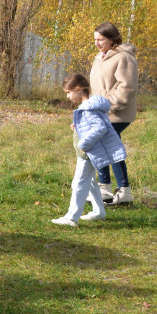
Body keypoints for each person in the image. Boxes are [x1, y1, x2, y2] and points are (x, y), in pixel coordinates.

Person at [53, 73, 124, 227]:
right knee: (90, 181)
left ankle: (72, 218)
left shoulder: (88, 108)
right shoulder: (88, 107)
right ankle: (99, 211)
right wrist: (77, 127)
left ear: (78, 89)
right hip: (86, 151)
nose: (67, 97)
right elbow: (91, 125)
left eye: (68, 93)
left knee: (78, 182)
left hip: (87, 152)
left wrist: (84, 142)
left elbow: (100, 127)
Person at [89, 22, 138, 206]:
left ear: (112, 39)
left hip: (116, 114)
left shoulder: (123, 57)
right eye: (95, 39)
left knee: (110, 147)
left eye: (100, 39)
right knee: (100, 146)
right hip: (100, 112)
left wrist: (108, 105)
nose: (96, 43)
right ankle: (105, 189)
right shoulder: (100, 57)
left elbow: (127, 87)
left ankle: (123, 190)